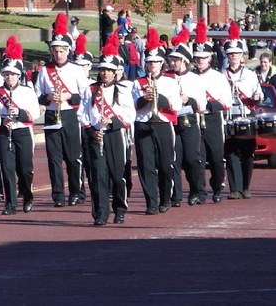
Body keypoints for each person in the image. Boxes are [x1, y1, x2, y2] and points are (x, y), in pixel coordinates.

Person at [35, 13, 90, 207]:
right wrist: (47, 97)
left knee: (74, 158)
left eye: (62, 51)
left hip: (69, 115)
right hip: (52, 115)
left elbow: (86, 95)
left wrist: (69, 96)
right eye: (56, 51)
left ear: (68, 51)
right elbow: (38, 94)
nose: (59, 55)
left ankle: (77, 192)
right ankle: (58, 195)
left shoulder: (76, 70)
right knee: (54, 160)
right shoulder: (44, 71)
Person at [78, 41, 135, 225]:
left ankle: (119, 209)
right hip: (96, 136)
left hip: (115, 135)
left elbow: (130, 115)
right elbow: (83, 113)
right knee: (98, 176)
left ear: (115, 71)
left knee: (117, 175)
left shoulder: (124, 89)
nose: (105, 73)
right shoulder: (91, 89)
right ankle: (100, 213)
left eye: (109, 70)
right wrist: (91, 131)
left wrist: (113, 121)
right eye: (102, 69)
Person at [133, 29, 182, 215]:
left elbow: (176, 104)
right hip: (144, 124)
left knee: (165, 165)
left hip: (162, 124)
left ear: (162, 63)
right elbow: (132, 108)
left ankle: (165, 198)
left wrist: (158, 97)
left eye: (155, 62)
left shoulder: (170, 81)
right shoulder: (138, 82)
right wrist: (145, 99)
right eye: (149, 62)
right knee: (146, 166)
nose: (152, 65)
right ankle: (151, 203)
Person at [0, 36, 40, 215]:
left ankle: (28, 196)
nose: (9, 77)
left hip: (23, 132)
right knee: (6, 168)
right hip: (5, 132)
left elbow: (35, 114)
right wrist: (2, 120)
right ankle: (10, 203)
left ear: (18, 74)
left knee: (25, 169)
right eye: (6, 74)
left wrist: (19, 113)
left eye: (12, 74)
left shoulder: (27, 92)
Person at [192, 18, 232, 203]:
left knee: (216, 158)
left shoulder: (217, 77)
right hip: (193, 121)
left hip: (213, 119)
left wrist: (207, 105)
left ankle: (217, 187)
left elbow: (227, 102)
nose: (200, 61)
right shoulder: (189, 77)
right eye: (197, 57)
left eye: (203, 58)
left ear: (209, 58)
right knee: (196, 160)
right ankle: (199, 192)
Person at [222, 23, 262, 200]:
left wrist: (256, 96)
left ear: (241, 55)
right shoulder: (221, 74)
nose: (234, 57)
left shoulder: (251, 74)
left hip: (246, 115)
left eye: (236, 54)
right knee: (230, 153)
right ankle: (234, 188)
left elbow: (258, 94)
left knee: (247, 153)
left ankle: (246, 186)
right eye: (231, 54)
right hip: (229, 116)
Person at [167, 29, 207, 207]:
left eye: (176, 60)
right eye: (172, 60)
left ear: (184, 61)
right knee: (174, 160)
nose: (173, 63)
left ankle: (197, 191)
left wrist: (188, 100)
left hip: (189, 121)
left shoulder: (195, 79)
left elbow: (202, 104)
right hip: (172, 121)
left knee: (192, 159)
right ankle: (175, 196)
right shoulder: (167, 78)